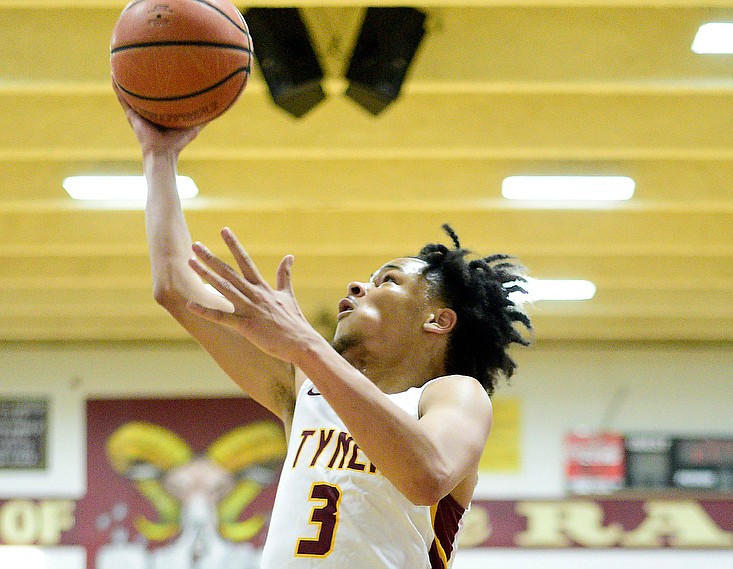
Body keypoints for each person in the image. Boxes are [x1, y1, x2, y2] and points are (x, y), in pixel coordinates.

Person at [116, 86, 532, 569]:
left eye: (387, 281)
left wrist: (306, 347)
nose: (358, 285)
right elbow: (174, 286)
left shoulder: (452, 395)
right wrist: (159, 156)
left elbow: (426, 476)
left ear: (437, 320)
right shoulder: (308, 390)